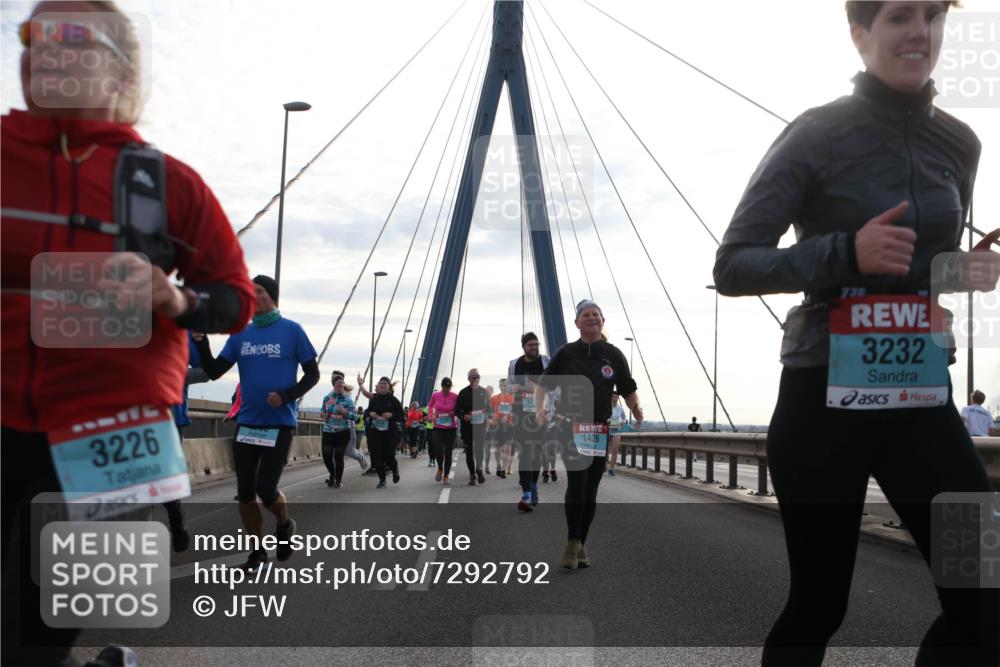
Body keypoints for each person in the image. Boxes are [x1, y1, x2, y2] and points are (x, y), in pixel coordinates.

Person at [713, 2, 1000, 663]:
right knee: (820, 604)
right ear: (860, 33)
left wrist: (963, 268)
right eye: (901, 16)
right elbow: (733, 264)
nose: (921, 32)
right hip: (824, 397)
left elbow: (917, 267)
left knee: (984, 589)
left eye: (933, 16)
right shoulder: (817, 134)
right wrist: (846, 252)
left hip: (921, 399)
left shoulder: (961, 143)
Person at [1, 3, 257, 665]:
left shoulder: (167, 184)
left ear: (121, 68)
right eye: (33, 34)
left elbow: (235, 300)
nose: (45, 49)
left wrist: (173, 296)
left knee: (42, 632)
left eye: (72, 36)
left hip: (114, 434)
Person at [195, 275, 320, 571]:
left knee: (266, 490)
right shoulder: (240, 335)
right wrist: (201, 343)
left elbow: (312, 374)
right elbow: (213, 371)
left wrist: (288, 395)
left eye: (258, 292)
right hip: (248, 424)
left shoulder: (292, 331)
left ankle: (284, 523)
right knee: (245, 492)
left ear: (272, 296)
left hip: (279, 424)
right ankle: (257, 551)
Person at [535, 301, 642, 568]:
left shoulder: (614, 355)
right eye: (586, 315)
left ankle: (581, 542)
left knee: (591, 489)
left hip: (598, 430)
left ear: (602, 321)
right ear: (577, 323)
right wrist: (539, 410)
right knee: (578, 483)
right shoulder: (567, 353)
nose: (591, 318)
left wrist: (636, 407)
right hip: (570, 427)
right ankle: (572, 542)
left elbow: (628, 388)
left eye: (596, 315)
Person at [508, 332, 550, 511]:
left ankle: (533, 485)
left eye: (536, 344)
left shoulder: (546, 362)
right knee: (524, 452)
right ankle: (526, 493)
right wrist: (515, 387)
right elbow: (508, 386)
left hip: (540, 413)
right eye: (530, 345)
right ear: (524, 347)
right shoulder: (514, 364)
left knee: (538, 453)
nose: (534, 347)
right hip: (520, 413)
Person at [362, 377, 404, 488]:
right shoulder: (374, 399)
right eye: (380, 383)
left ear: (389, 386)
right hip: (376, 433)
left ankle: (395, 469)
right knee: (377, 457)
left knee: (389, 457)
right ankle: (382, 479)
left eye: (384, 383)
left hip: (390, 433)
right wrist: (370, 414)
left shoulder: (394, 400)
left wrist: (392, 415)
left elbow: (401, 416)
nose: (382, 385)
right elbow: (367, 412)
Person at [320, 372, 355, 488]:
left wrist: (345, 412)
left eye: (342, 383)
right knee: (326, 455)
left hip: (343, 431)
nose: (340, 384)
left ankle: (338, 481)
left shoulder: (348, 399)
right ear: (333, 385)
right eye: (338, 383)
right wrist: (323, 415)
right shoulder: (327, 397)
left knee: (338, 456)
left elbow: (354, 416)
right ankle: (332, 474)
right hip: (328, 430)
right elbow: (322, 412)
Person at [456, 369, 489, 485]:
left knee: (480, 448)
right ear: (469, 378)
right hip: (467, 426)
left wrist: (488, 417)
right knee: (469, 450)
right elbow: (457, 410)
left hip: (480, 425)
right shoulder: (463, 392)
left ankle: (479, 468)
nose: (476, 379)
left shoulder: (484, 392)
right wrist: (463, 416)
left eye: (478, 377)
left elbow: (489, 409)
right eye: (473, 377)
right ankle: (472, 475)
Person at [427, 377, 458, 484]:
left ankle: (446, 476)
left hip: (451, 429)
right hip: (438, 428)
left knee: (448, 453)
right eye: (445, 387)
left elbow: (458, 409)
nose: (446, 390)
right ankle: (440, 468)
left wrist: (453, 412)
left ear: (451, 387)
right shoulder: (435, 395)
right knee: (438, 451)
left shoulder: (455, 396)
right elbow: (430, 406)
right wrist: (430, 415)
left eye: (448, 388)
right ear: (442, 386)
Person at [491, 378, 515, 478]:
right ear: (499, 386)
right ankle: (498, 465)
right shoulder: (494, 398)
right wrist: (493, 418)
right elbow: (489, 411)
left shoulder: (513, 398)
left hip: (509, 425)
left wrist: (508, 415)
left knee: (508, 448)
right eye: (501, 385)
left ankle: (503, 471)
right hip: (497, 425)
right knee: (498, 449)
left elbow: (516, 411)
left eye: (505, 385)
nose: (503, 387)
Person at [606, 392, 628, 476]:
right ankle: (603, 465)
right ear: (610, 397)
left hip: (616, 430)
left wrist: (622, 422)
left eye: (616, 397)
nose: (615, 398)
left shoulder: (620, 408)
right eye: (613, 397)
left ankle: (611, 469)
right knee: (605, 450)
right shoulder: (606, 406)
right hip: (607, 429)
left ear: (618, 398)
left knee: (615, 450)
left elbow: (624, 418)